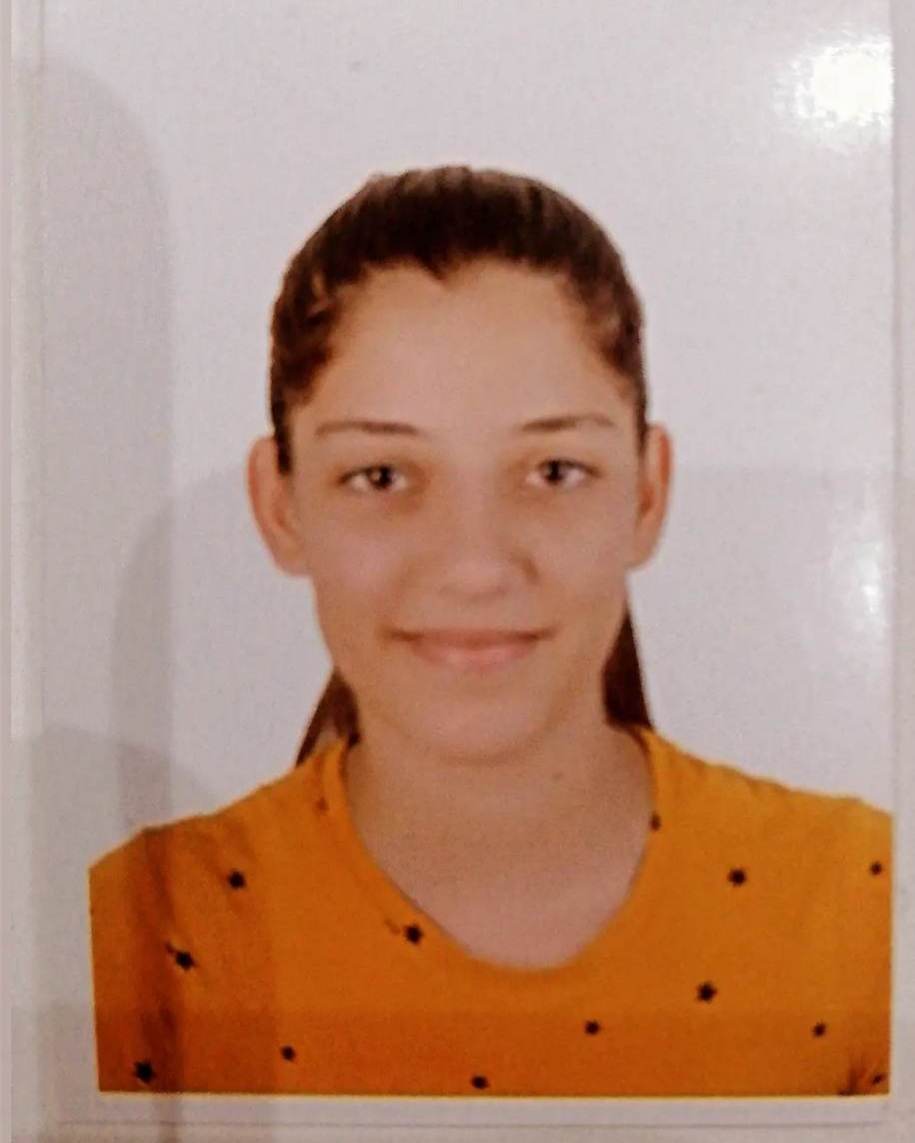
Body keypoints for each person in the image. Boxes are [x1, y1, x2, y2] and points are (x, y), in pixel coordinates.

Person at [88, 166, 892, 1098]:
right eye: (382, 475)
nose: (474, 565)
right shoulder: (139, 932)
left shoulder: (861, 902)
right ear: (280, 505)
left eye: (552, 471)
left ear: (647, 491)